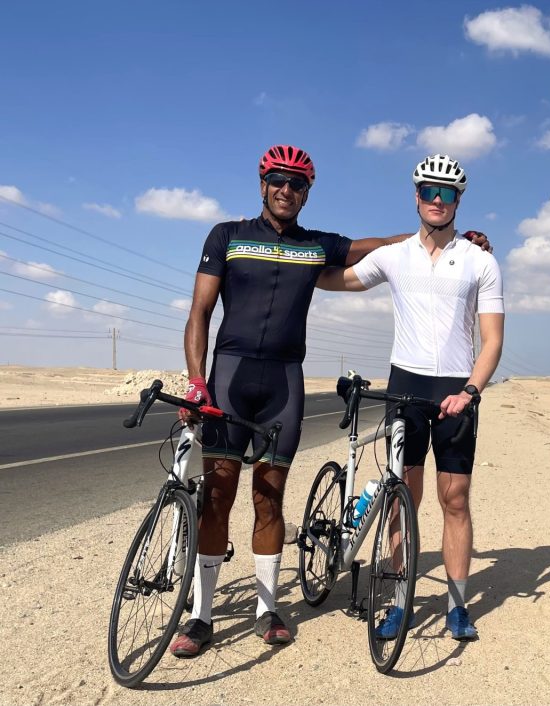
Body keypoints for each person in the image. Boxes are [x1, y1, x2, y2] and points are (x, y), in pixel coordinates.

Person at [170, 145, 490, 657]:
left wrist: (452, 238)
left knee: (269, 498)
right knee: (217, 495)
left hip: (283, 384)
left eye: (297, 184)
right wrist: (195, 381)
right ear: (262, 184)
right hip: (229, 376)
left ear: (307, 193)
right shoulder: (227, 235)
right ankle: (200, 616)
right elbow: (199, 312)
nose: (286, 190)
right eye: (278, 180)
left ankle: (268, 610)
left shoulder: (316, 245)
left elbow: (380, 246)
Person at [317, 154, 504, 642]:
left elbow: (493, 341)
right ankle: (399, 601)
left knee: (455, 499)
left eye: (447, 193)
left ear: (459, 200)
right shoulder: (395, 255)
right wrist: (289, 261)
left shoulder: (481, 261)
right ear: (416, 196)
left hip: (457, 389)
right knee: (403, 499)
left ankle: (457, 606)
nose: (437, 200)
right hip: (406, 385)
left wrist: (470, 391)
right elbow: (336, 279)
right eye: (429, 191)